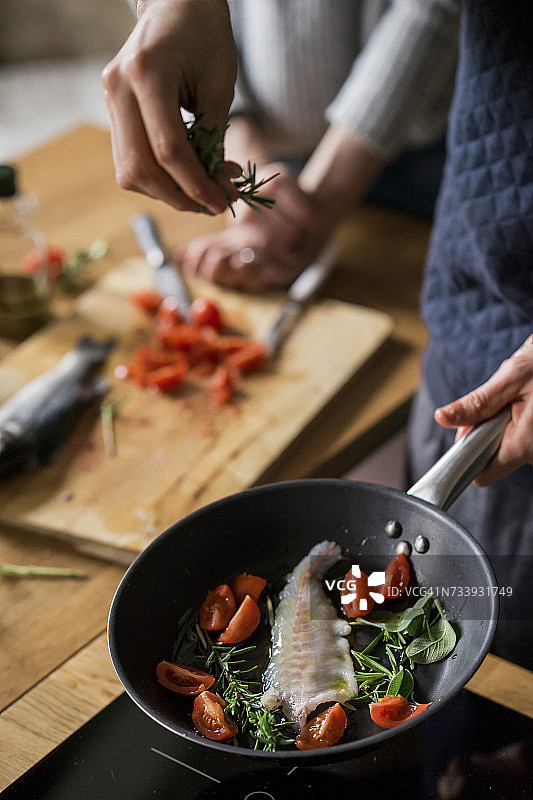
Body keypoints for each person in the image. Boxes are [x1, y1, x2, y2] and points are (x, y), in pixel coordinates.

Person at [104, 0, 533, 668]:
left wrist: (313, 203)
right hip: (474, 264)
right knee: (433, 612)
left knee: (506, 641)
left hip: (503, 285)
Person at [104, 0, 460, 291]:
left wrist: (310, 210)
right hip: (265, 157)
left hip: (417, 152)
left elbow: (433, 7)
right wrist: (244, 151)